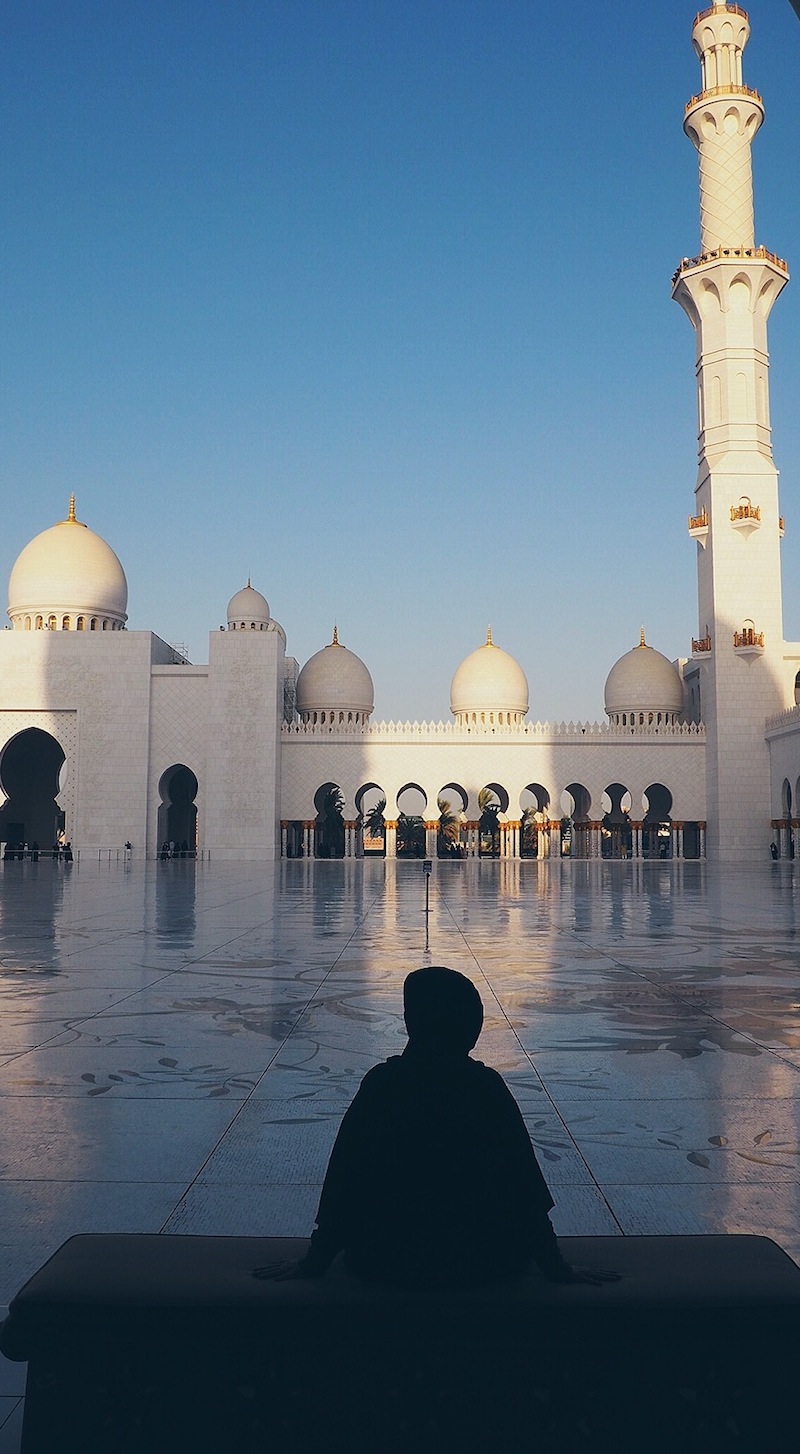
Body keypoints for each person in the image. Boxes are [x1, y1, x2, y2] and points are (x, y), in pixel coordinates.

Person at [254, 966, 618, 1289]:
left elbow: (345, 1184)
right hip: (484, 1263)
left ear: (412, 1022)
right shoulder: (484, 1087)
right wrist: (556, 1268)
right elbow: (523, 1189)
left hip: (384, 1262)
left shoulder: (384, 1085)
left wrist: (314, 1263)